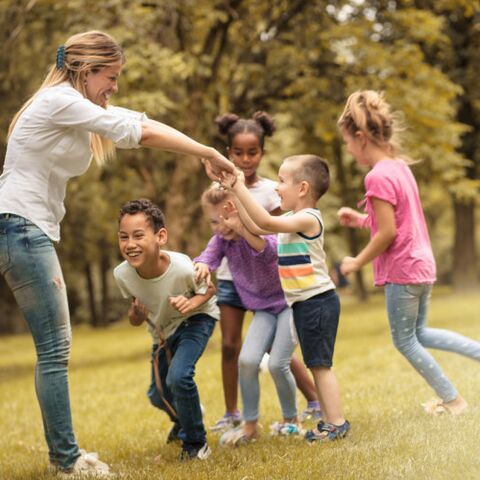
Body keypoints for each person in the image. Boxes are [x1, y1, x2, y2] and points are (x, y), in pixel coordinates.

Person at [0, 31, 233, 476]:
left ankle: (62, 457)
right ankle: (67, 462)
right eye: (112, 76)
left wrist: (206, 151)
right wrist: (206, 151)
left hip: (22, 227)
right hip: (20, 226)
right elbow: (138, 133)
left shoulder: (76, 105)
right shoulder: (58, 101)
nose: (115, 86)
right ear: (86, 71)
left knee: (53, 349)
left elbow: (141, 121)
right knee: (54, 350)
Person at [337, 90, 480, 415]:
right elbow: (396, 219)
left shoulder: (377, 176)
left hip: (403, 269)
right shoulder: (399, 167)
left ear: (360, 138)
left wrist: (357, 261)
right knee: (421, 333)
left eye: (347, 141)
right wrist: (361, 219)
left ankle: (453, 401)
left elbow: (388, 232)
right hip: (422, 265)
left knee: (405, 340)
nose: (347, 149)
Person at [221, 155, 350, 443]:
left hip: (317, 301)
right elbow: (258, 227)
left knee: (320, 365)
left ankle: (337, 423)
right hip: (304, 303)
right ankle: (330, 423)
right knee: (317, 364)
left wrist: (238, 184)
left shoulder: (308, 218)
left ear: (302, 188)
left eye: (281, 181)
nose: (276, 188)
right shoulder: (292, 220)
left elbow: (265, 219)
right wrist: (237, 212)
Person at [209, 112, 320, 432]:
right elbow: (217, 231)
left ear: (262, 152)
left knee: (276, 349)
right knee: (231, 345)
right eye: (238, 152)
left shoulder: (275, 191)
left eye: (252, 152)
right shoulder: (220, 188)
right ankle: (233, 413)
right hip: (232, 278)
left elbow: (266, 231)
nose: (245, 159)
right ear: (228, 152)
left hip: (268, 282)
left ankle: (312, 399)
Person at [113, 199, 218, 460]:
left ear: (161, 236)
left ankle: (196, 443)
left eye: (138, 235)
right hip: (162, 332)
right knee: (157, 395)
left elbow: (210, 290)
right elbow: (135, 318)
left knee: (178, 377)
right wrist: (135, 315)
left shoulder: (181, 267)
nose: (130, 244)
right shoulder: (122, 275)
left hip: (196, 319)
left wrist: (190, 301)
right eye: (123, 237)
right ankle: (186, 417)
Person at [194, 185, 299, 444]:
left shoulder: (259, 228)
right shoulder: (221, 240)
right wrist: (202, 266)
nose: (220, 226)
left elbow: (269, 251)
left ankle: (291, 421)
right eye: (213, 222)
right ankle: (250, 425)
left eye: (226, 218)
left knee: (277, 363)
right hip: (262, 308)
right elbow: (208, 256)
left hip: (289, 303)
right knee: (247, 361)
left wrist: (242, 228)